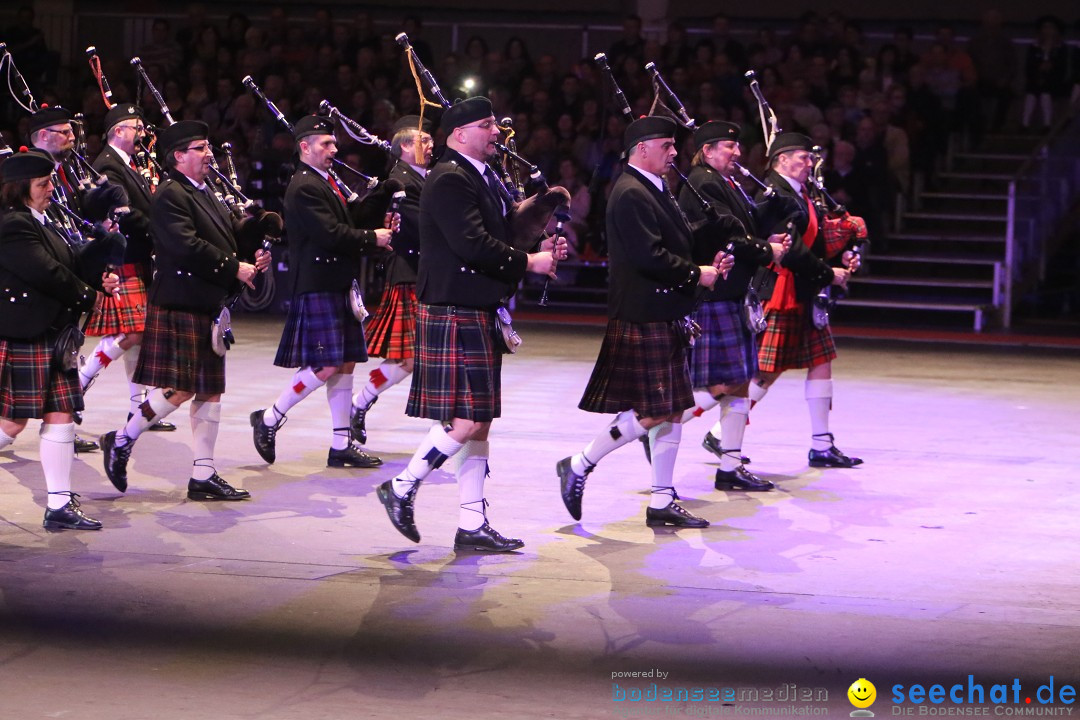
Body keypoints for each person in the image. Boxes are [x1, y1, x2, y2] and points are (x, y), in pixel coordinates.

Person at [375, 96, 563, 552]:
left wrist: (536, 215)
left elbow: (500, 230)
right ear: (459, 134)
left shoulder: (483, 175)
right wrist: (530, 262)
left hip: (476, 307)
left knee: (480, 423)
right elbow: (472, 244)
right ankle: (401, 485)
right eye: (487, 125)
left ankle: (471, 522)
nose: (497, 133)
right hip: (455, 307)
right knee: (467, 418)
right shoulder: (450, 178)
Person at [555, 116, 730, 528]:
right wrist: (695, 274)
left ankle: (662, 499)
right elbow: (648, 256)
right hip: (642, 310)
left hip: (663, 310)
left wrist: (709, 252)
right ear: (642, 148)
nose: (674, 153)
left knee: (670, 410)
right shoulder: (630, 191)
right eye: (667, 145)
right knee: (655, 411)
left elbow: (677, 239)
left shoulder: (656, 188)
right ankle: (579, 464)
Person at [100, 120, 275, 500]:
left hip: (207, 301)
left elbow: (227, 233)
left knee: (210, 391)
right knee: (179, 390)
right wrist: (234, 267)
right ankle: (121, 439)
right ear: (179, 156)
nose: (209, 153)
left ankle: (203, 475)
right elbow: (185, 245)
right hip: (181, 299)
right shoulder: (170, 194)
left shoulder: (204, 190)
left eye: (207, 146)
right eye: (200, 148)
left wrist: (254, 241)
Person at [249, 115, 391, 468]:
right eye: (326, 143)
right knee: (325, 364)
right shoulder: (304, 186)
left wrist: (385, 191)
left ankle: (341, 444)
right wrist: (374, 238)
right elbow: (332, 233)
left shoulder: (326, 180)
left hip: (337, 282)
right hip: (317, 283)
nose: (334, 148)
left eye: (333, 143)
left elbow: (351, 218)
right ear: (304, 147)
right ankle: (269, 418)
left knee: (343, 364)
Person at [0, 148, 120, 528]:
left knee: (61, 415)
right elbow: (47, 273)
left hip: (51, 332)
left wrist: (101, 258)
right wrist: (91, 296)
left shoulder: (42, 219)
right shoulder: (13, 224)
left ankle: (58, 504)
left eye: (49, 181)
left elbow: (70, 262)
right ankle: (58, 504)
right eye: (42, 183)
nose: (51, 188)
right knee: (13, 423)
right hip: (27, 332)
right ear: (20, 188)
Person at [675, 121, 791, 491]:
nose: (738, 153)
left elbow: (744, 227)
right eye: (729, 146)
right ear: (707, 150)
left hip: (732, 293)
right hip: (715, 294)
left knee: (739, 382)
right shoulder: (702, 181)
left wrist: (766, 236)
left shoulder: (724, 182)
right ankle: (646, 428)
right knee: (714, 383)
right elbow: (727, 236)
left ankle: (730, 466)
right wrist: (764, 248)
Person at [753, 132, 864, 468]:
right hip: (782, 290)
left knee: (821, 360)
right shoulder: (773, 193)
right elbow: (793, 251)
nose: (809, 163)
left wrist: (844, 252)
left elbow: (815, 241)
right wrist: (829, 274)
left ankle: (821, 444)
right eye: (802, 157)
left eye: (810, 157)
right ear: (781, 159)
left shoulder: (802, 192)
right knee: (762, 372)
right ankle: (698, 425)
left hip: (804, 289)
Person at [28, 104, 127, 452]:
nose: (72, 137)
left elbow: (70, 225)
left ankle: (62, 430)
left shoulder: (64, 172)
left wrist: (97, 234)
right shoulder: (27, 178)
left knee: (63, 363)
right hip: (39, 286)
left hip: (68, 280)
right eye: (64, 132)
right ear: (43, 136)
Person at [80, 104, 175, 433]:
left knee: (139, 336)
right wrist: (159, 229)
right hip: (120, 256)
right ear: (118, 131)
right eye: (136, 127)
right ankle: (81, 378)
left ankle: (140, 411)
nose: (142, 133)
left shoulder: (131, 164)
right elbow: (124, 212)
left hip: (137, 255)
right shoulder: (105, 165)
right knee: (131, 333)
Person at [349, 115, 433, 445]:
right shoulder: (401, 181)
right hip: (409, 273)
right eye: (422, 140)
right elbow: (418, 229)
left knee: (408, 358)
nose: (430, 144)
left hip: (421, 273)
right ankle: (361, 402)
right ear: (404, 148)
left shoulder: (423, 177)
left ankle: (361, 402)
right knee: (413, 358)